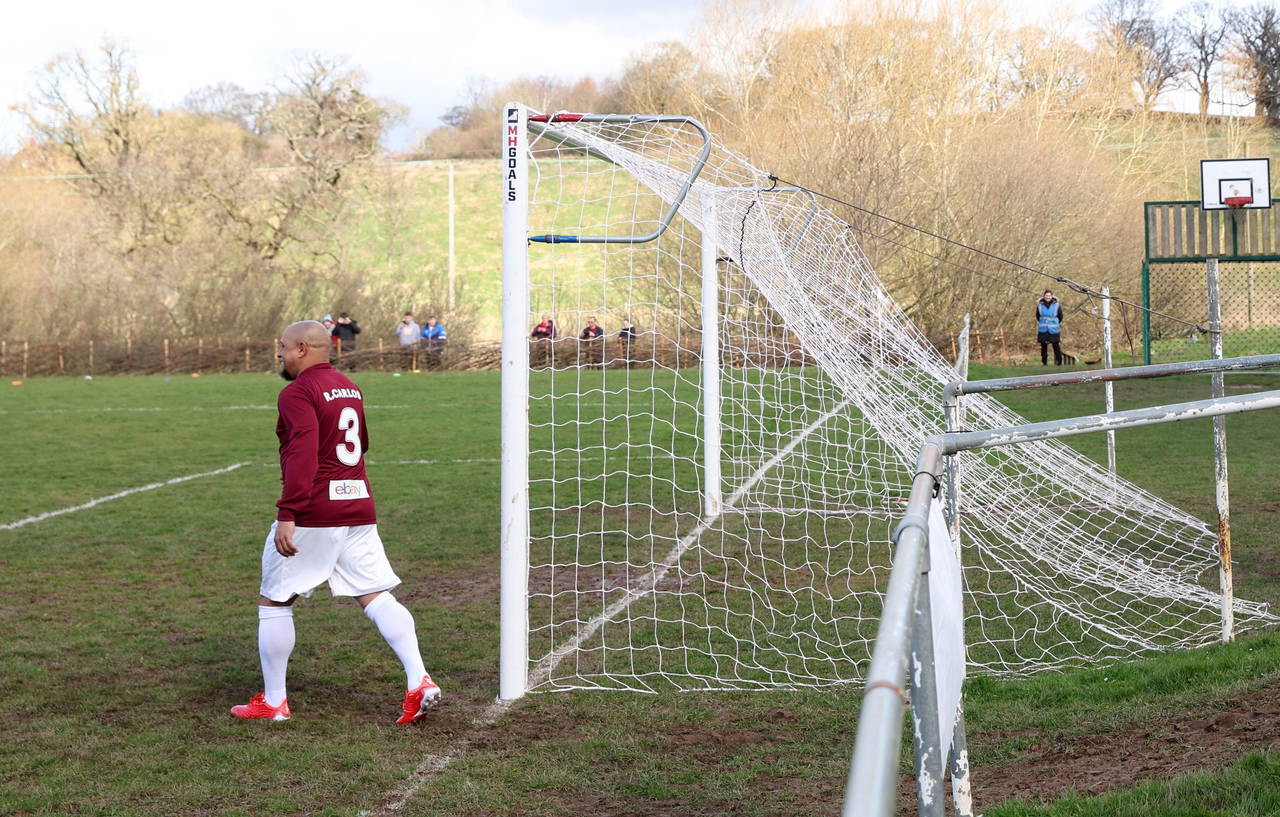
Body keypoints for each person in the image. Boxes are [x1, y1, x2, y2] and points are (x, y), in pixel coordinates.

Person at [230, 320, 441, 724]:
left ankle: (274, 702)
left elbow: (303, 454)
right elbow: (362, 443)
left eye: (285, 347)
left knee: (274, 600)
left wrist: (288, 513)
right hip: (358, 504)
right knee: (376, 594)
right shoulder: (349, 385)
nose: (280, 354)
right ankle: (420, 680)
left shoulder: (297, 391)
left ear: (303, 349)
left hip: (316, 510)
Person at [1036, 290, 1064, 366]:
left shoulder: (1057, 305)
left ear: (1052, 296)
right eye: (1046, 295)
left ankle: (1059, 363)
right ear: (1044, 296)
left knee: (1056, 346)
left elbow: (1060, 316)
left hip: (1054, 329)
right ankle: (1044, 363)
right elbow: (1038, 316)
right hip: (1043, 329)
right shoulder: (1039, 305)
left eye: (1049, 295)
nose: (1048, 297)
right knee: (1043, 347)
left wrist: (1054, 323)